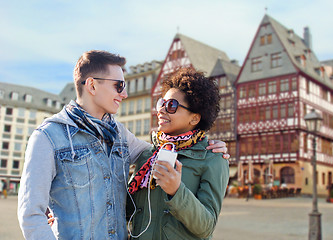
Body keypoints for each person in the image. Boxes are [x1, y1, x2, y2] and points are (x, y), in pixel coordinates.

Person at [18, 50, 228, 240]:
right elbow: (30, 214)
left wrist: (210, 145)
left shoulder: (120, 135)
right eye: (118, 86)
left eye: (171, 105)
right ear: (92, 85)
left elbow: (157, 153)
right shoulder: (48, 137)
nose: (125, 94)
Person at [127, 67, 229, 239]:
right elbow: (128, 211)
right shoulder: (148, 155)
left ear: (194, 118)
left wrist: (176, 191)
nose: (161, 110)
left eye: (171, 105)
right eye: (161, 103)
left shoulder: (213, 158)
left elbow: (207, 227)